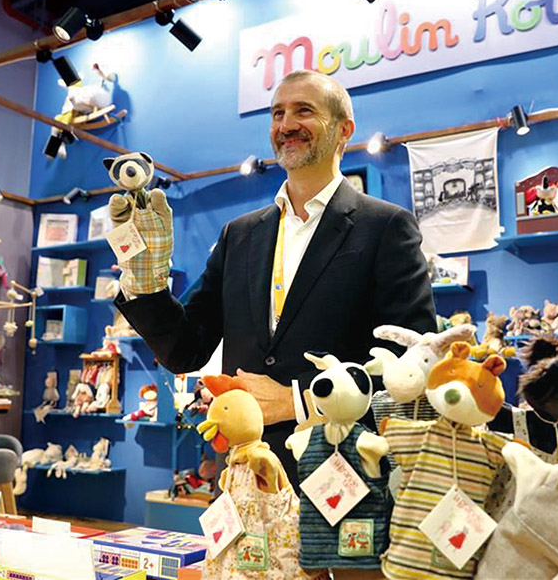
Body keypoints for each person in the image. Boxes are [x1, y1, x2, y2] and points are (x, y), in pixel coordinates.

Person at [111, 69, 436, 488]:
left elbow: (411, 365)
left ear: (344, 130)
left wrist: (295, 401)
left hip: (344, 478)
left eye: (304, 111)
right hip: (245, 475)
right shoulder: (239, 234)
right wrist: (145, 281)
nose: (286, 125)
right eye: (277, 113)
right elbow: (186, 350)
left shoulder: (385, 227)